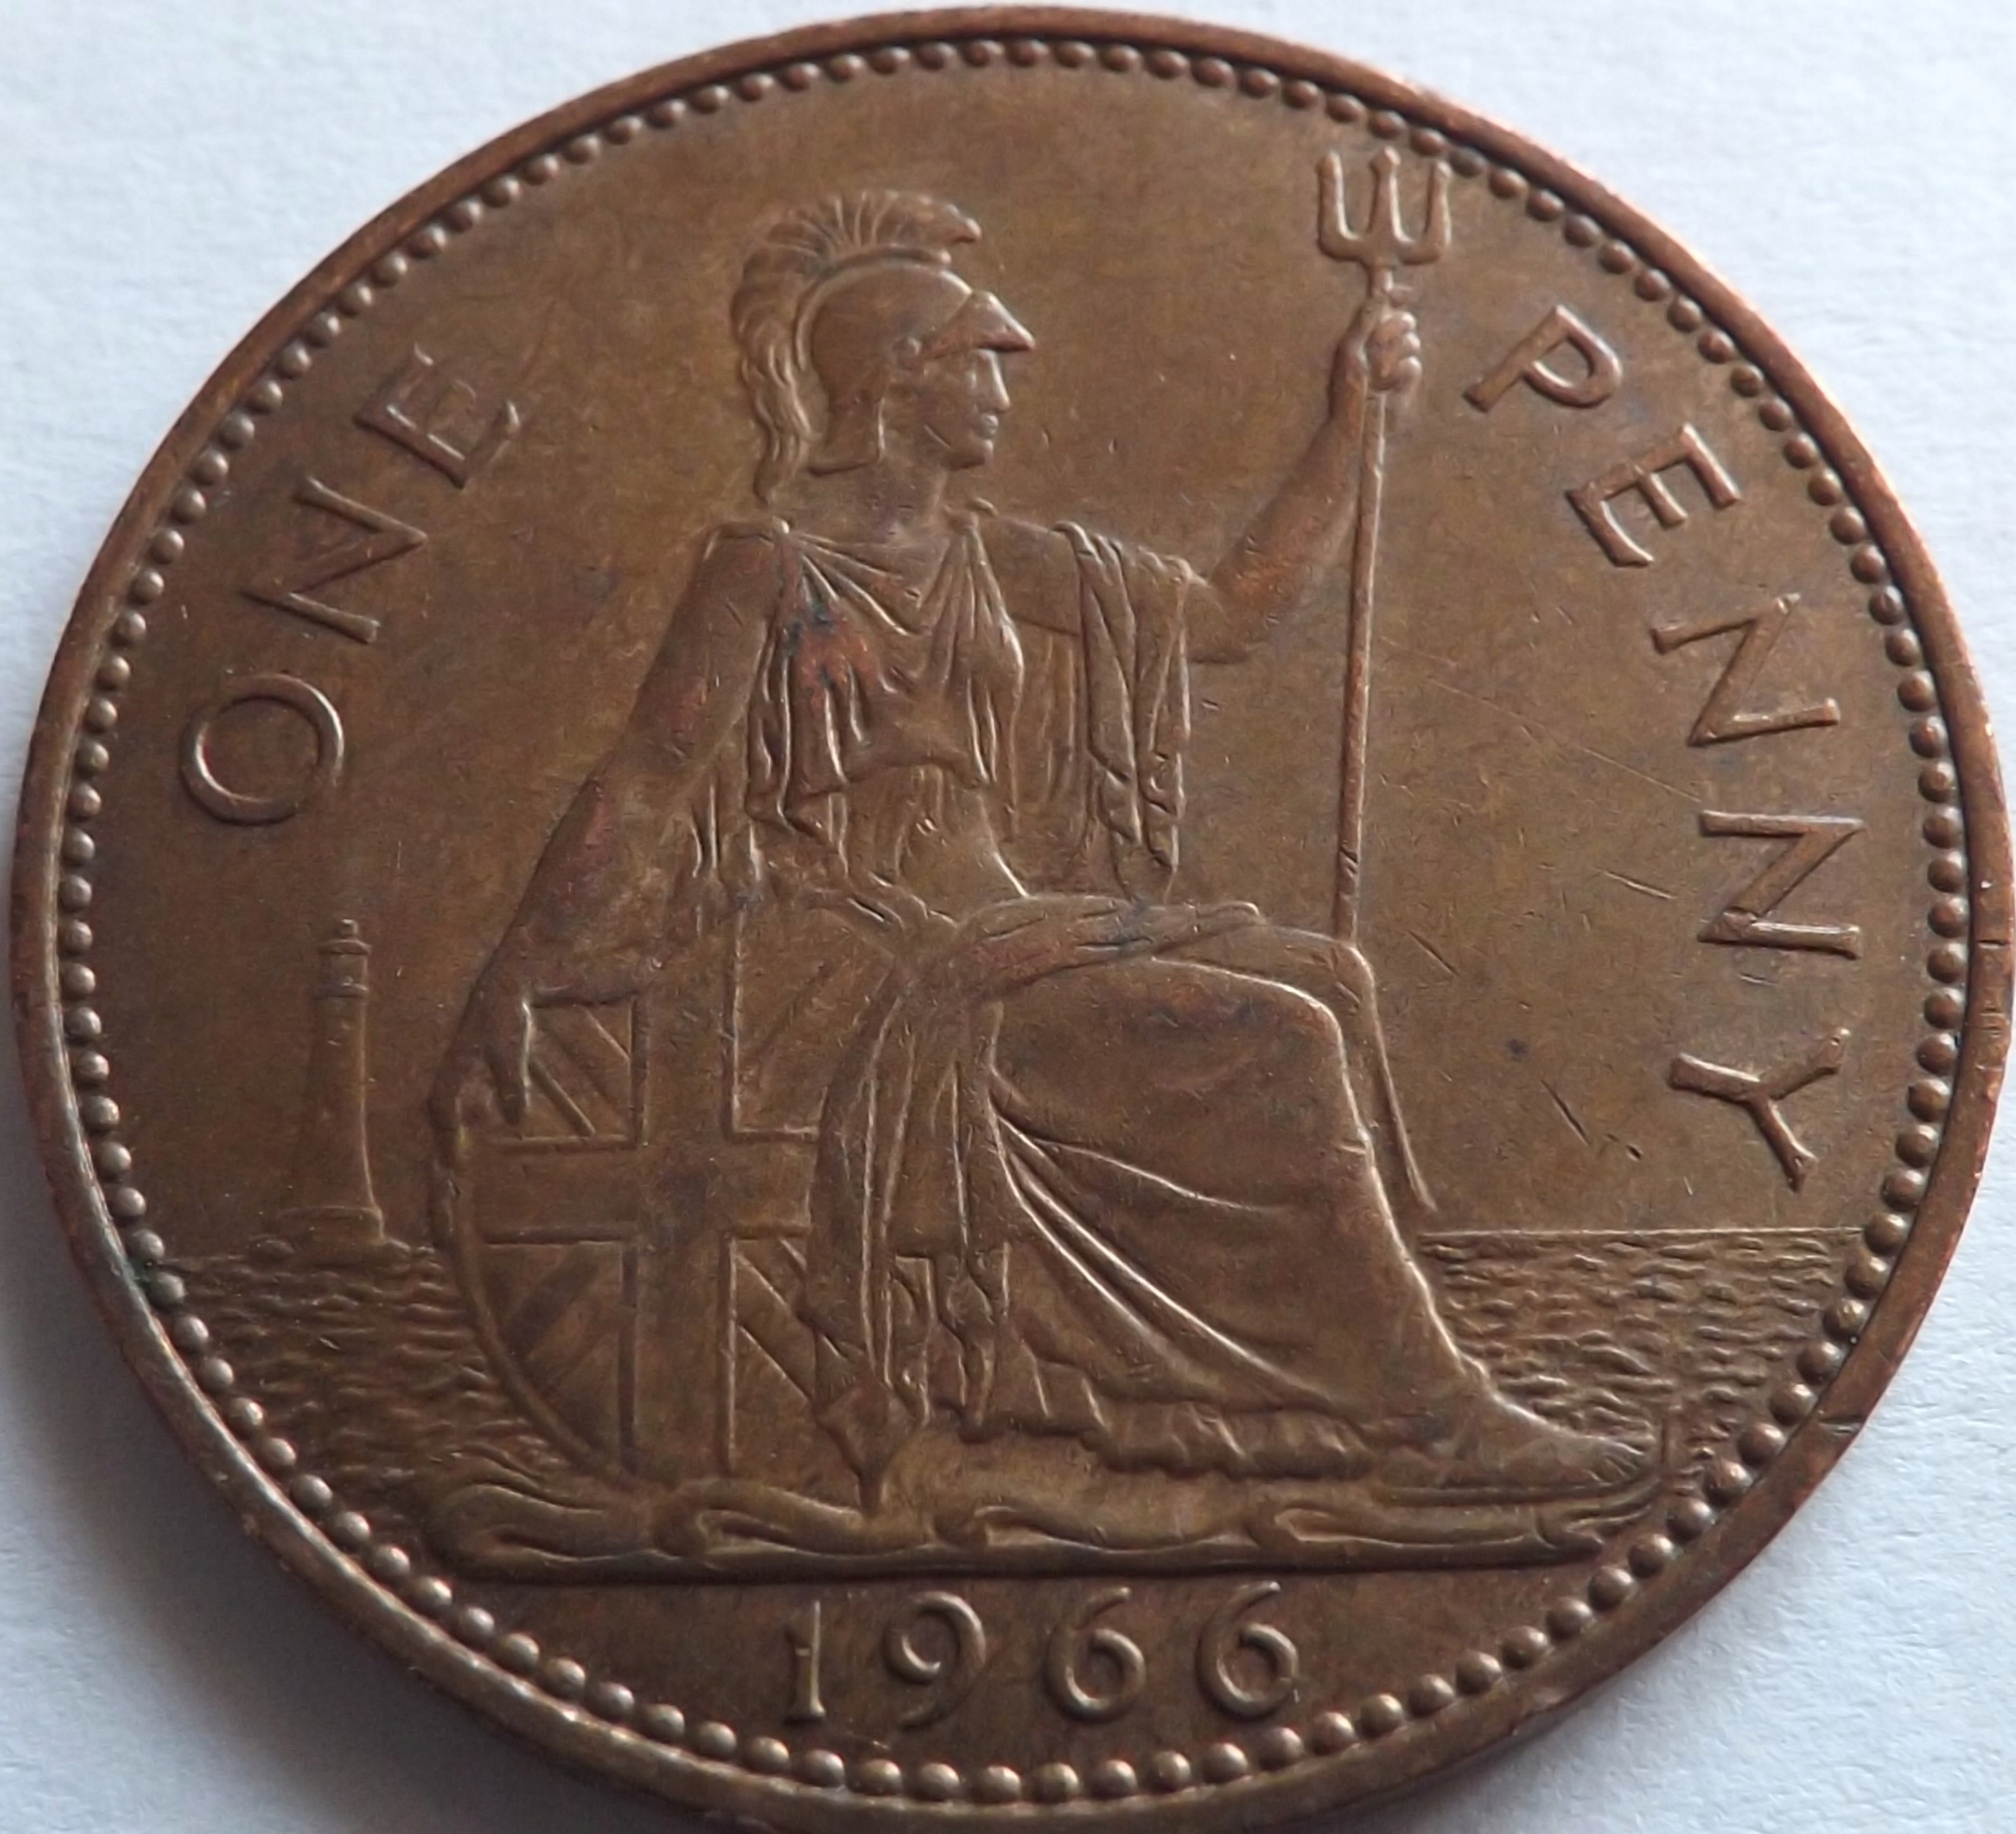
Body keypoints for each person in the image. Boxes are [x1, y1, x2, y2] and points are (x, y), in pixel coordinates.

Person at [432, 191, 1644, 1561]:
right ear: (898, 381)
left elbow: (1233, 617)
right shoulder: (767, 568)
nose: (1007, 388)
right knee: (1283, 1033)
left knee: (1327, 976)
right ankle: (1431, 1421)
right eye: (980, 362)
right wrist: (517, 969)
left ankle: (1293, 1394)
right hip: (862, 945)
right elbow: (648, 779)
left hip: (1000, 922)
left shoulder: (991, 555)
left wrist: (1351, 422)